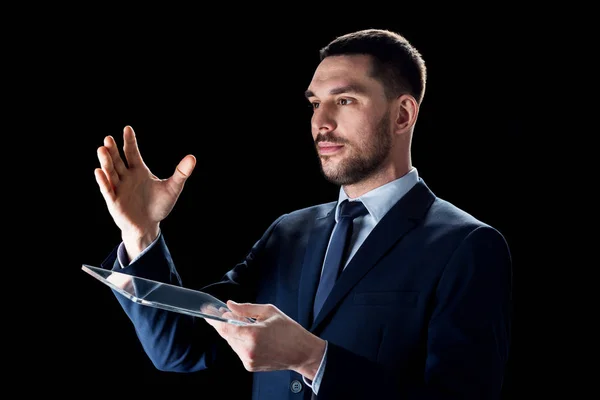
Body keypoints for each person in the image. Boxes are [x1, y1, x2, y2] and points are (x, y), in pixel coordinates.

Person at [93, 28, 512, 399]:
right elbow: (181, 350)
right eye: (314, 104)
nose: (321, 123)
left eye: (344, 100)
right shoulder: (288, 232)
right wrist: (142, 233)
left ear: (403, 113)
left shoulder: (467, 246)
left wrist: (313, 360)